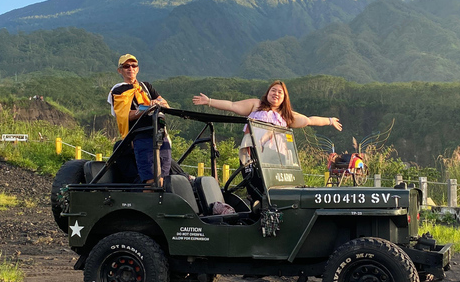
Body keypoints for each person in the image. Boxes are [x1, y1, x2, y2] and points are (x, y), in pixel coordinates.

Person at [192, 80, 342, 163]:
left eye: (279, 92)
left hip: (276, 157)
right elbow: (232, 106)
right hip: (253, 152)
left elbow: (310, 120)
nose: (276, 93)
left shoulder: (286, 115)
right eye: (273, 90)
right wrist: (209, 101)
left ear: (284, 97)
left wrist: (329, 120)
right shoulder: (256, 105)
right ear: (268, 93)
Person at [108, 54, 172, 185]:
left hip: (159, 134)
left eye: (133, 65)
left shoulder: (146, 86)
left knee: (163, 178)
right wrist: (147, 108)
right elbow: (124, 115)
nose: (130, 68)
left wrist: (158, 103)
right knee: (150, 179)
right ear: (120, 70)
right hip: (141, 136)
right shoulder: (119, 90)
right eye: (126, 66)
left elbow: (164, 103)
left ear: (138, 69)